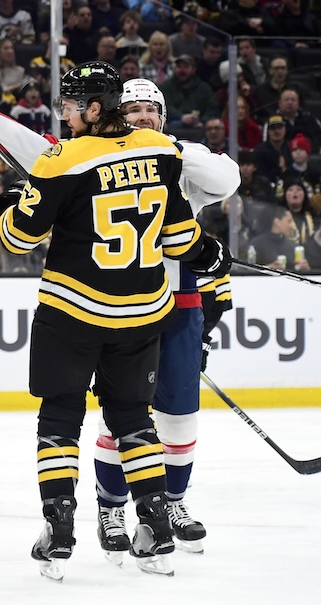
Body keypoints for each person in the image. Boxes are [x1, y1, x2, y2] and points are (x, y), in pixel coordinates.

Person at [0, 61, 232, 580]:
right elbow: (182, 241)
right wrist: (213, 256)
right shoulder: (160, 152)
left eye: (69, 107)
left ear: (93, 108)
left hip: (72, 312)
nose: (63, 116)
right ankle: (156, 527)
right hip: (141, 315)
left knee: (61, 417)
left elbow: (18, 238)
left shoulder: (61, 159)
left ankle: (59, 529)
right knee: (134, 419)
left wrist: (15, 203)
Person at [88, 78, 239, 558]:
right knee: (119, 416)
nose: (140, 115)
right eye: (129, 108)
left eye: (149, 109)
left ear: (163, 116)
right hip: (121, 305)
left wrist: (167, 148)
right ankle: (111, 508)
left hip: (180, 305)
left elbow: (227, 179)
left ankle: (172, 504)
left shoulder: (179, 161)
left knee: (179, 419)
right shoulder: (99, 159)